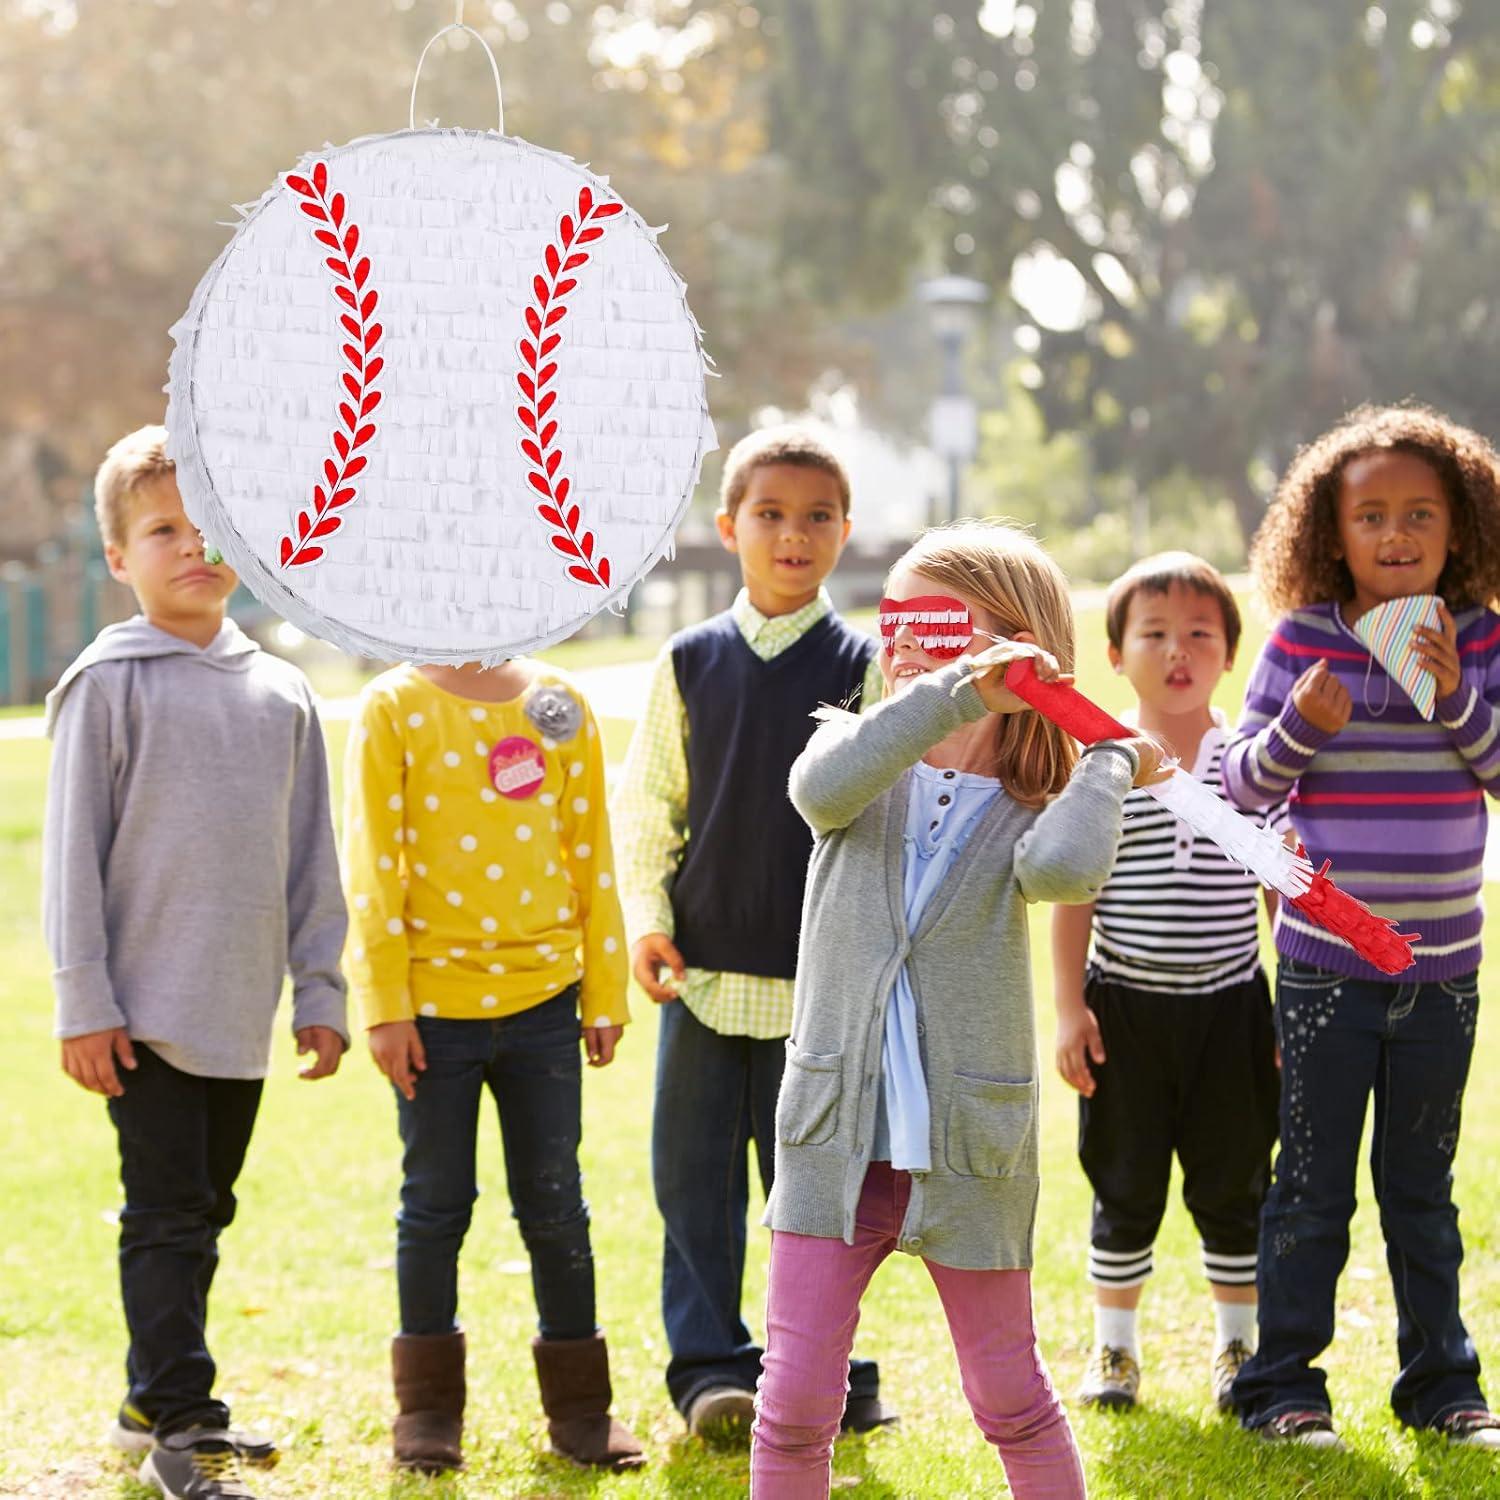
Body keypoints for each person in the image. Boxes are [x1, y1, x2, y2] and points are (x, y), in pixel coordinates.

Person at [750, 520, 1167, 1498]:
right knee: (796, 1404)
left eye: (935, 620)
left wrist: (1107, 758)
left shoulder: (1034, 804)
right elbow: (819, 788)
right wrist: (943, 691)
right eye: (893, 617)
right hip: (834, 1141)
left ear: (1017, 646)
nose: (902, 637)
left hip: (969, 1147)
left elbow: (1066, 872)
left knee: (1010, 1394)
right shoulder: (856, 758)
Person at [43, 425, 349, 1500]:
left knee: (204, 1210)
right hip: (142, 1013)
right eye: (164, 529)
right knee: (167, 1213)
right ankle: (182, 1418)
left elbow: (314, 856)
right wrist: (84, 1003)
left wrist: (322, 989)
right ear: (120, 558)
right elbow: (70, 861)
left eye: (215, 527)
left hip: (240, 1008)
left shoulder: (282, 693)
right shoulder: (107, 685)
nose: (193, 547)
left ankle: (144, 1399)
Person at [1224, 403, 1500, 1452]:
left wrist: (1453, 701)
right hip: (1325, 969)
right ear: (1327, 535)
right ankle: (1284, 1386)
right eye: (1371, 516)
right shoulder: (1301, 638)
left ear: (1459, 527)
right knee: (1311, 1188)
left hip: (1444, 973)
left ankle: (1443, 1386)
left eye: (1420, 514)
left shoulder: (1479, 640)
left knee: (1422, 1193)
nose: (1396, 535)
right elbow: (1243, 786)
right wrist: (1302, 725)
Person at [616, 425, 892, 1440]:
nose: (793, 534)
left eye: (817, 516)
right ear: (729, 526)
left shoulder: (867, 668)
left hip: (819, 992)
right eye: (770, 514)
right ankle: (709, 1376)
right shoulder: (688, 662)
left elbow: (882, 822)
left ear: (845, 533)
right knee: (692, 1188)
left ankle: (820, 1369)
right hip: (699, 981)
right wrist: (647, 920)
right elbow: (649, 807)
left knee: (816, 1195)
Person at [343, 652, 644, 1473]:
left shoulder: (558, 701)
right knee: (435, 1206)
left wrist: (602, 991)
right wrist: (385, 1004)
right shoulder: (391, 705)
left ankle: (583, 1411)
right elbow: (368, 863)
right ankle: (428, 1411)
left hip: (546, 1003)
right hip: (433, 1015)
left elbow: (592, 850)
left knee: (556, 1204)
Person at [1052, 553, 1279, 1414]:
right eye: (1154, 633)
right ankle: (1114, 1356)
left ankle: (1238, 1350)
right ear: (1115, 653)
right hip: (1126, 1011)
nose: (1177, 651)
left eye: (1199, 634)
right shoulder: (1100, 764)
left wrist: (1285, 1017)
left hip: (1231, 1009)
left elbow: (1273, 894)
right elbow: (1077, 891)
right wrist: (1070, 1007)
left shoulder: (1250, 767)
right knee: (1125, 1181)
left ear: (1229, 652)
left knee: (1234, 1184)